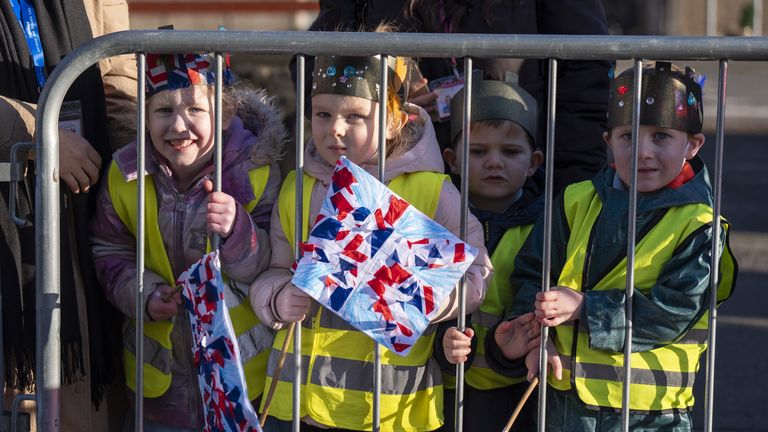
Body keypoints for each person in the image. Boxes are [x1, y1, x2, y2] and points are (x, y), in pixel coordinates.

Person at [486, 61, 738, 431]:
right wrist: (534, 336)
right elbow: (532, 273)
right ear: (608, 142)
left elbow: (674, 311)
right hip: (567, 408)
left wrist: (586, 308)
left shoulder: (699, 226)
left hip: (653, 414)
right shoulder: (575, 202)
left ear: (693, 145)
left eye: (662, 136)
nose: (643, 151)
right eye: (627, 137)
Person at [249, 49, 492, 432]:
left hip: (390, 408)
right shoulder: (298, 186)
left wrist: (439, 298)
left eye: (355, 116)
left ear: (395, 120)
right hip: (299, 404)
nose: (336, 129)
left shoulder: (431, 190)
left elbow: (476, 270)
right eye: (323, 114)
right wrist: (277, 298)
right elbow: (273, 269)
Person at [90, 52, 285, 431]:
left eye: (196, 109)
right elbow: (108, 248)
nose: (179, 126)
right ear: (144, 116)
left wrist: (237, 231)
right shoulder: (125, 174)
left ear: (225, 113)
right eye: (163, 111)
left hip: (244, 383)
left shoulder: (258, 172)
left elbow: (275, 262)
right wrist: (143, 294)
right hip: (158, 389)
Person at [295, 0, 611, 194]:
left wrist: (570, 189)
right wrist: (391, 96)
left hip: (522, 184)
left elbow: (586, 71)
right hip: (406, 181)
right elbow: (321, 59)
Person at [0, 0, 136, 430]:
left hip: (82, 216)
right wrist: (38, 131)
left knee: (79, 397)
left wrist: (138, 181)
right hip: (9, 225)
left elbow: (118, 80)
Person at [435, 74, 545, 432]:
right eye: (478, 151)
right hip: (442, 388)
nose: (494, 162)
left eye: (511, 152)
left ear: (534, 162)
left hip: (514, 393)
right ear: (451, 159)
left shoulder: (546, 228)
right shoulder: (436, 222)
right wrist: (442, 342)